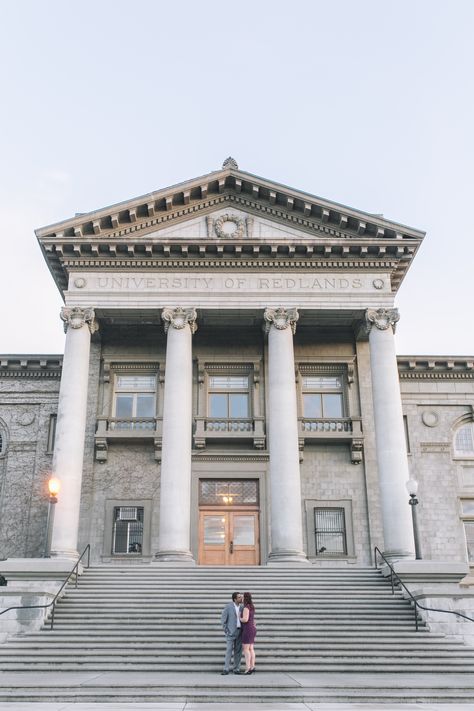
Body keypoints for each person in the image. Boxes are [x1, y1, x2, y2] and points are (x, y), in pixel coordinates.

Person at [220, 591, 243, 675]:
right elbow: (223, 620)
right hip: (230, 632)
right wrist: (226, 631)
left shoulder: (242, 607)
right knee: (229, 650)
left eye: (241, 597)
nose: (241, 598)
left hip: (240, 631)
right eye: (239, 597)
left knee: (238, 651)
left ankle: (236, 669)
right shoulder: (228, 607)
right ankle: (226, 669)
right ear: (235, 599)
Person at [240, 591, 256, 674]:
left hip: (247, 629)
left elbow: (245, 619)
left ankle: (248, 668)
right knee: (251, 648)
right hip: (252, 628)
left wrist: (239, 617)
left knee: (246, 649)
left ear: (245, 598)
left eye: (243, 597)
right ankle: (252, 666)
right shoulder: (252, 607)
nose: (242, 598)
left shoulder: (246, 608)